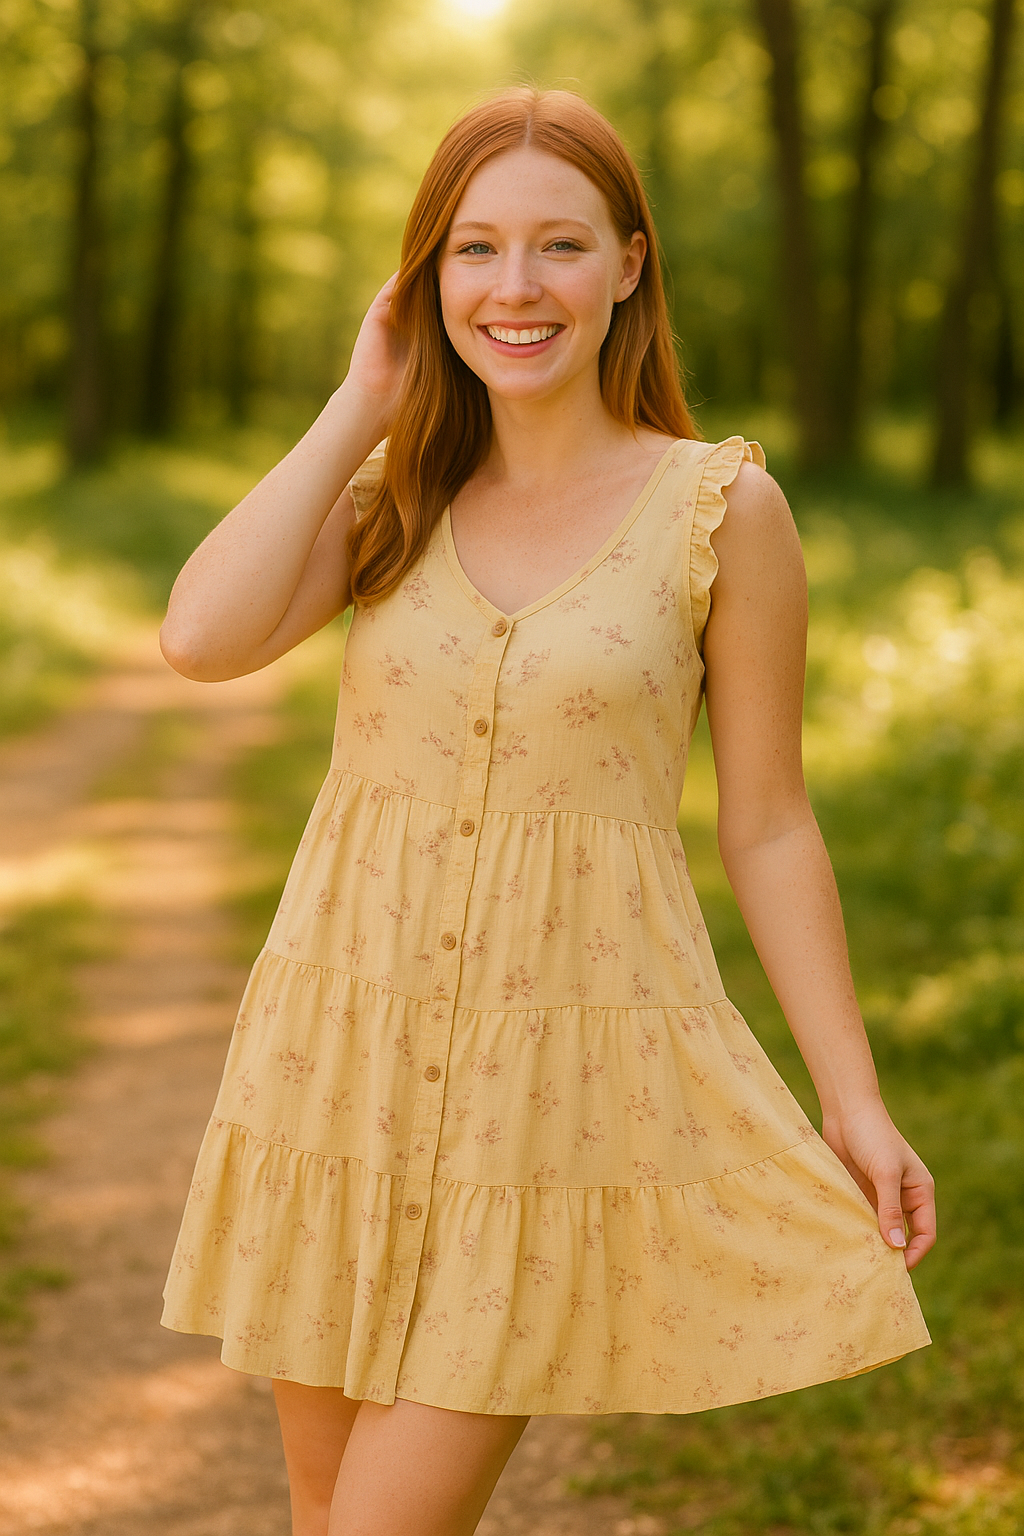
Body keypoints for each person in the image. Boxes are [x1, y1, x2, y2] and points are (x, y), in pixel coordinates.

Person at [159, 86, 935, 1536]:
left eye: (561, 246)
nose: (516, 288)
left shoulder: (721, 514)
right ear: (426, 277)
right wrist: (359, 403)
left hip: (550, 1100)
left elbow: (769, 824)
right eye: (475, 249)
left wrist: (855, 1099)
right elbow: (200, 639)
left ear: (631, 265)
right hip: (338, 1067)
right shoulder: (396, 495)